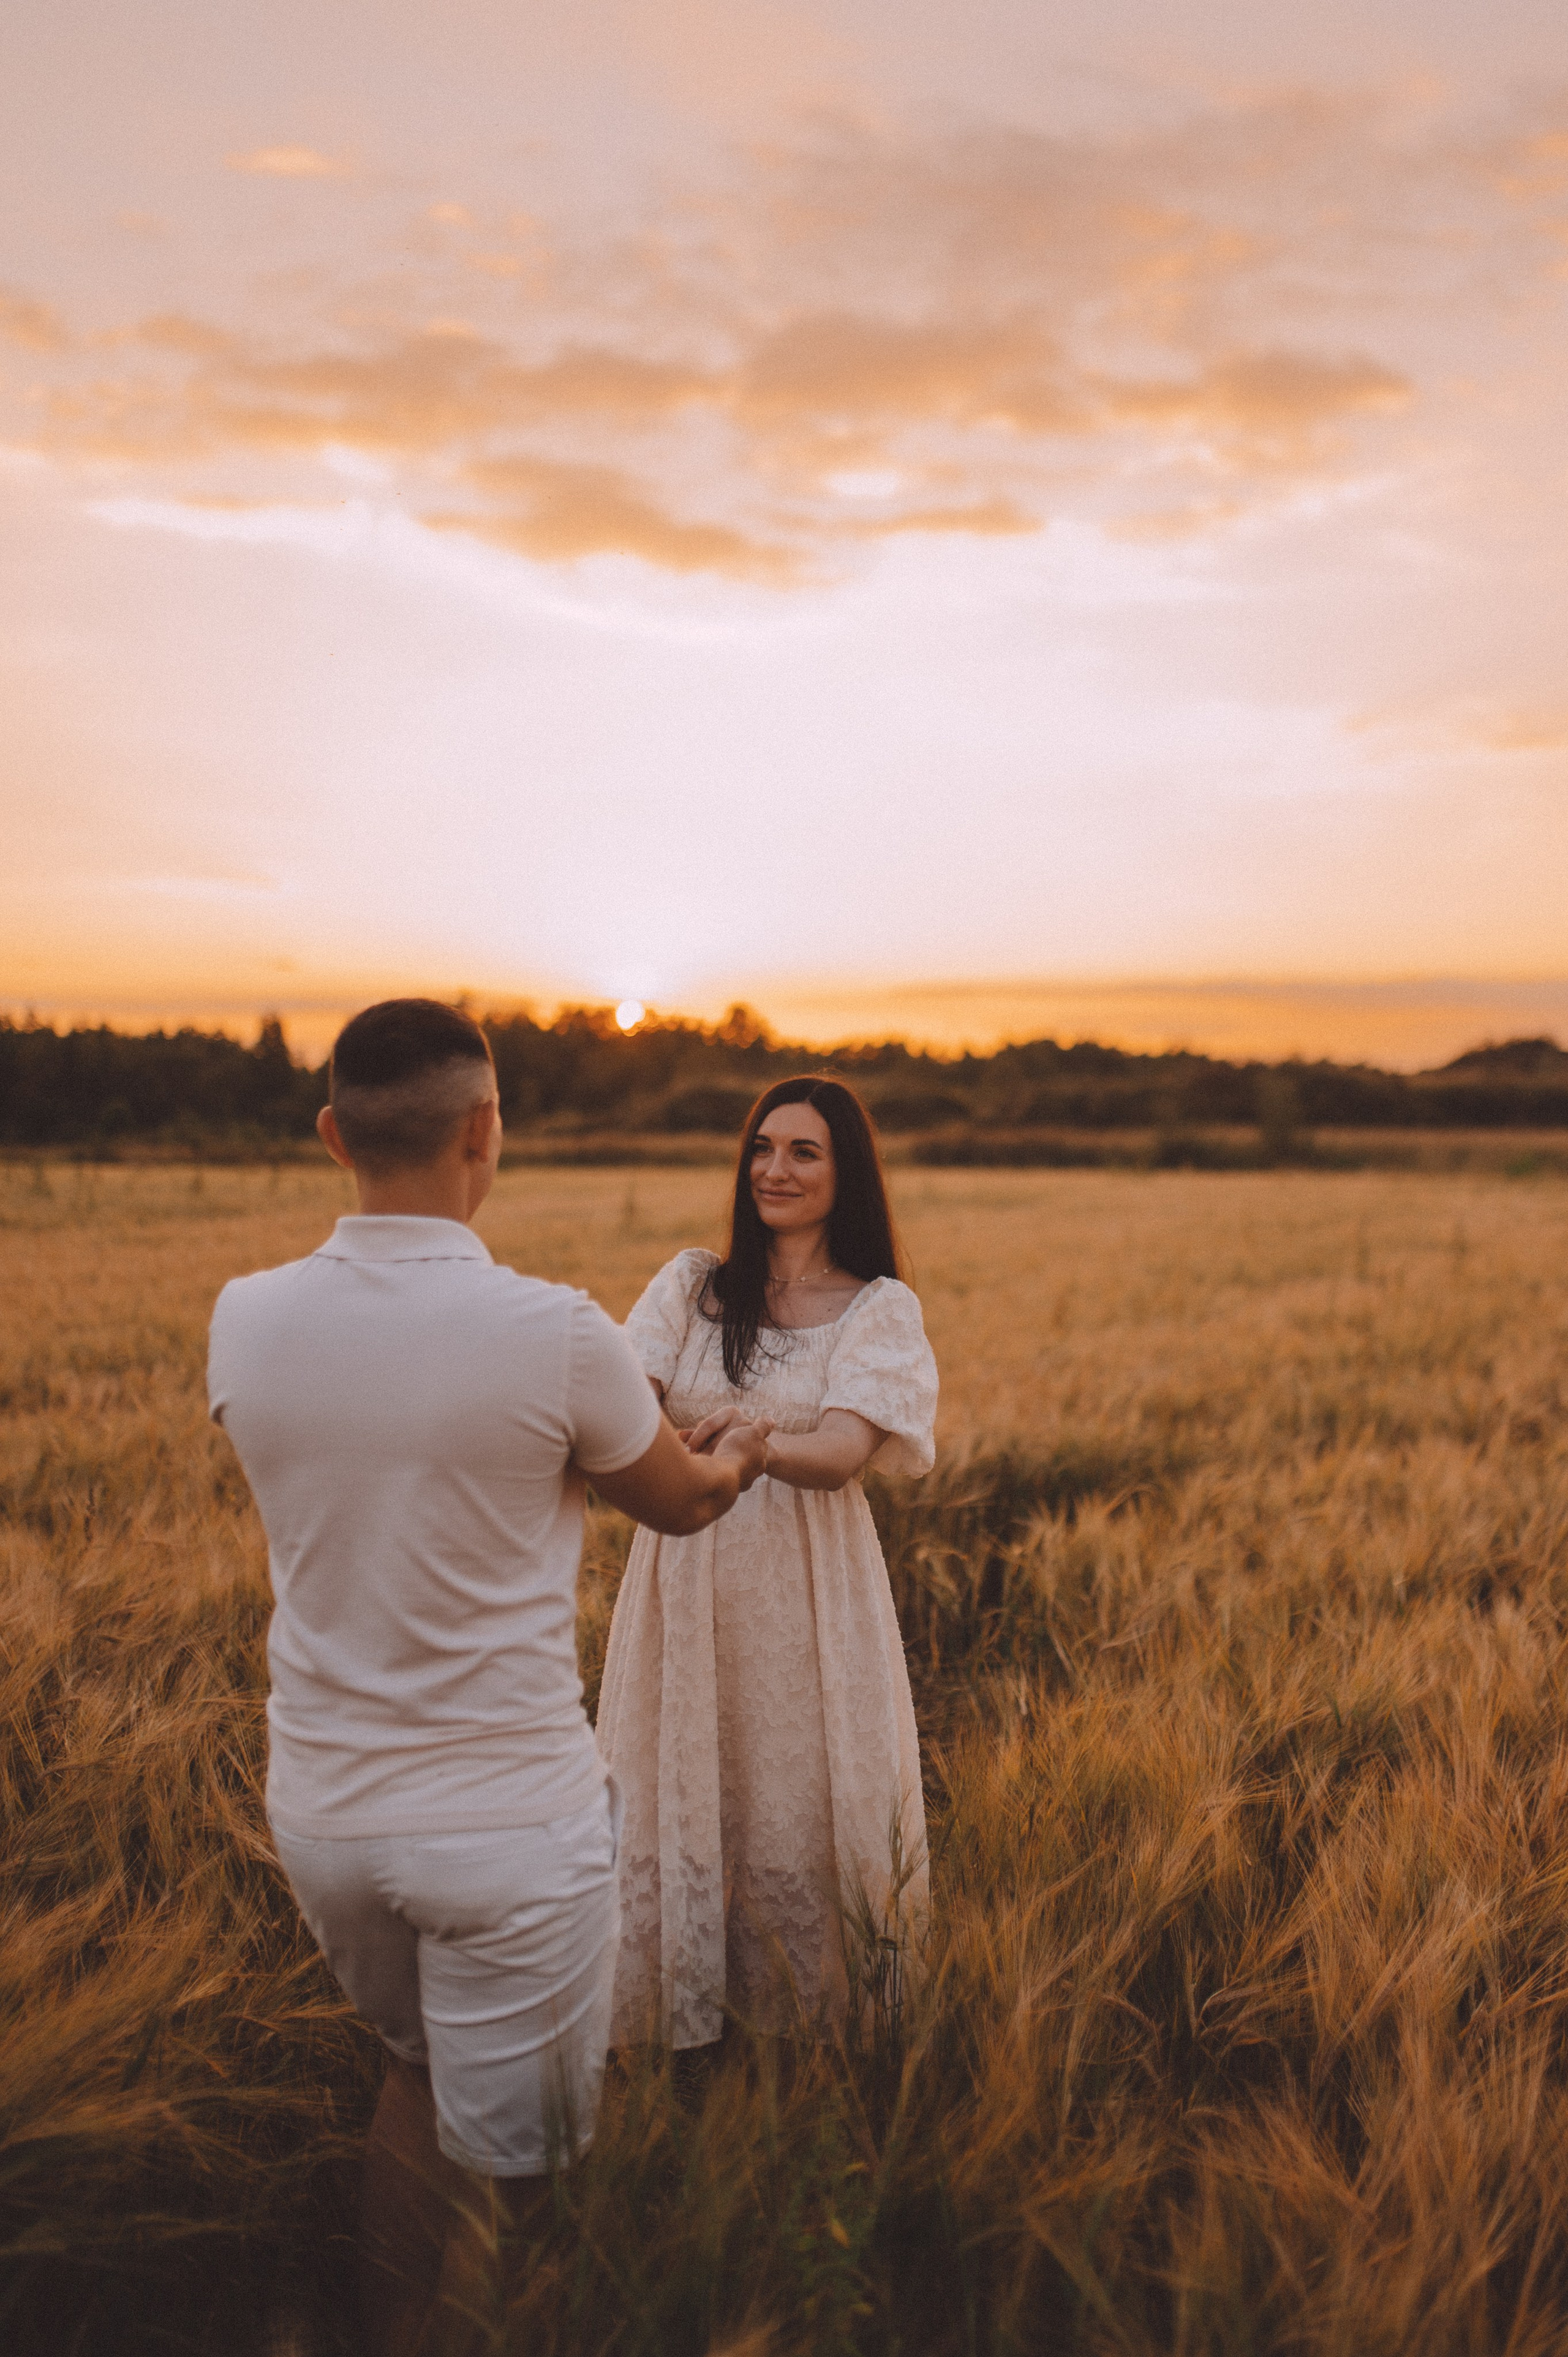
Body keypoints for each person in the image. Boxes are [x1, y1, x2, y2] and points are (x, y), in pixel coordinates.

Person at [206, 999, 769, 2357]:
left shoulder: (247, 1318)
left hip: (329, 1814)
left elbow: (380, 1462)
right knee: (535, 2181)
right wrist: (728, 1449)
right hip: (509, 1827)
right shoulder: (557, 1334)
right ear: (485, 1132)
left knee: (411, 2074)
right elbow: (681, 1501)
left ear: (333, 1133)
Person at [597, 1074, 938, 2054]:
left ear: (847, 1174)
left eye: (803, 1152)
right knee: (684, 1779)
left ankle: (806, 2036)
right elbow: (625, 1396)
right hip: (685, 1576)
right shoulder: (691, 1285)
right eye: (761, 1148)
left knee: (793, 1795)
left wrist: (747, 1450)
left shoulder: (878, 1308)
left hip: (805, 1592)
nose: (774, 1170)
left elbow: (838, 1453)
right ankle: (681, 2028)